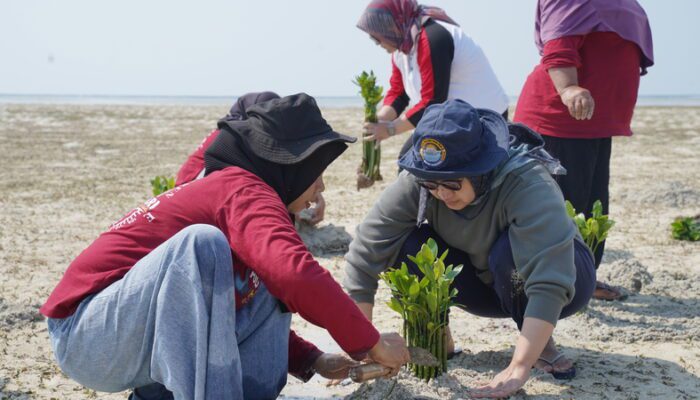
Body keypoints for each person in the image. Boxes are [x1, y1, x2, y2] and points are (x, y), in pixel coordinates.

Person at [41, 94, 410, 400]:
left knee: (265, 275)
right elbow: (295, 274)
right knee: (202, 245)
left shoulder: (249, 194)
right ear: (291, 165)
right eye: (316, 172)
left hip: (126, 335)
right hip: (86, 335)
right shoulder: (243, 188)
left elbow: (257, 293)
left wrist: (313, 360)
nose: (321, 188)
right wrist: (370, 342)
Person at [343, 99, 596, 398]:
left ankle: (541, 344)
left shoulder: (526, 181)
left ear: (480, 169)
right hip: (483, 283)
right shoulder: (422, 181)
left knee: (508, 253)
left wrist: (520, 365)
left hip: (562, 278)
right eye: (431, 185)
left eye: (451, 184)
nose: (440, 193)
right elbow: (365, 254)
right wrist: (360, 347)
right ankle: (439, 336)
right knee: (406, 245)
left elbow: (550, 279)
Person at [513, 0, 654, 301]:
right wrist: (568, 88)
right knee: (562, 206)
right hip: (560, 120)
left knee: (592, 206)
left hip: (594, 121)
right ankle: (550, 286)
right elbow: (559, 40)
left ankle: (583, 279)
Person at [356, 0, 509, 159]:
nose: (377, 43)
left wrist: (390, 129)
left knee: (415, 162)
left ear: (394, 24)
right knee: (410, 160)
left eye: (377, 36)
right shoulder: (402, 46)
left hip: (484, 122)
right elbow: (399, 94)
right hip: (452, 119)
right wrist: (378, 120)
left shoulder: (432, 37)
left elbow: (433, 101)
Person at [176, 91, 327, 225]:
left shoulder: (230, 134)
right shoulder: (234, 141)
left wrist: (311, 192)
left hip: (184, 194)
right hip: (197, 193)